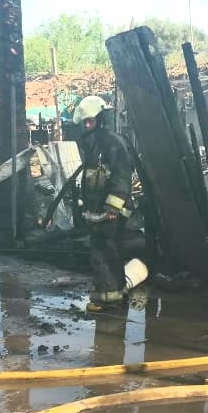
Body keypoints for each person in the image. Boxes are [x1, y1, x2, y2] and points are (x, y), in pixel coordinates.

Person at [73, 97, 134, 312]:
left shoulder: (112, 142)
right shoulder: (96, 143)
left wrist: (112, 207)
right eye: (85, 122)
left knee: (105, 251)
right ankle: (111, 293)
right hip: (99, 209)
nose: (87, 126)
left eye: (90, 121)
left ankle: (109, 300)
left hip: (111, 211)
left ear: (101, 118)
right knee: (104, 250)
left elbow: (122, 175)